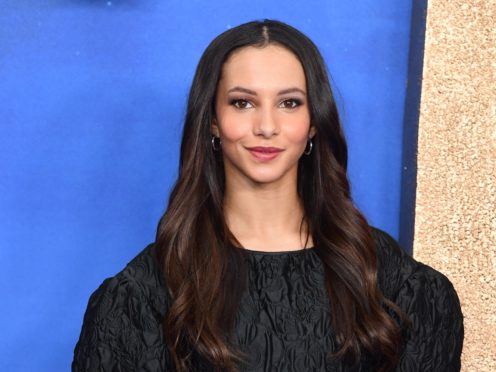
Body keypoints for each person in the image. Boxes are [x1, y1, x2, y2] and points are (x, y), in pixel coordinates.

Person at [72, 19, 463, 372]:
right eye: (242, 102)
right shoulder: (146, 293)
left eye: (289, 103)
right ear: (212, 120)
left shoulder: (393, 285)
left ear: (313, 123)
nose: (267, 126)